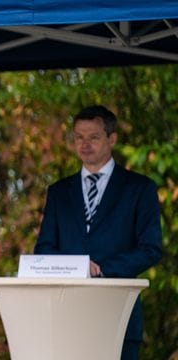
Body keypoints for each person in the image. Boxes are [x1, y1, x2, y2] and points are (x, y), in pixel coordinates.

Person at [34, 105, 162, 360]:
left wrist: (101, 269)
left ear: (111, 139)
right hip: (66, 317)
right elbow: (44, 250)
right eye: (78, 137)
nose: (84, 144)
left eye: (93, 137)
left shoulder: (140, 188)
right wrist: (77, 267)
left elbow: (150, 249)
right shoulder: (58, 192)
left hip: (118, 314)